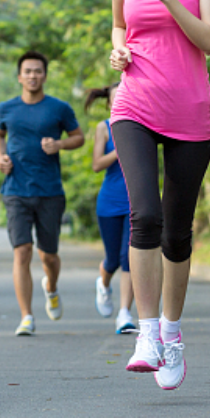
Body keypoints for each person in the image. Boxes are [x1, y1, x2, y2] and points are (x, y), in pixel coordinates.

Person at [108, 0, 210, 391]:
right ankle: (146, 334)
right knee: (145, 215)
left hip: (189, 112)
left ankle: (172, 332)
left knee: (177, 231)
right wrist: (116, 49)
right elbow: (119, 26)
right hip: (134, 103)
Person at [0, 51, 85, 336]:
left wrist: (60, 145)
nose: (33, 76)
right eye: (28, 71)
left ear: (45, 75)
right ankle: (27, 316)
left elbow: (79, 137)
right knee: (22, 251)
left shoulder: (59, 108)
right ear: (19, 76)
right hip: (15, 190)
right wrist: (1, 157)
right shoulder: (6, 108)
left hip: (50, 191)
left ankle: (51, 287)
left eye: (38, 71)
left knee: (49, 256)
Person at [85, 83, 137, 335]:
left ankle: (125, 314)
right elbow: (96, 164)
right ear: (108, 103)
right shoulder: (103, 128)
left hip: (136, 201)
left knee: (130, 257)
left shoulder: (142, 125)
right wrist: (120, 150)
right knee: (113, 259)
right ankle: (103, 284)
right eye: (116, 98)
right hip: (109, 201)